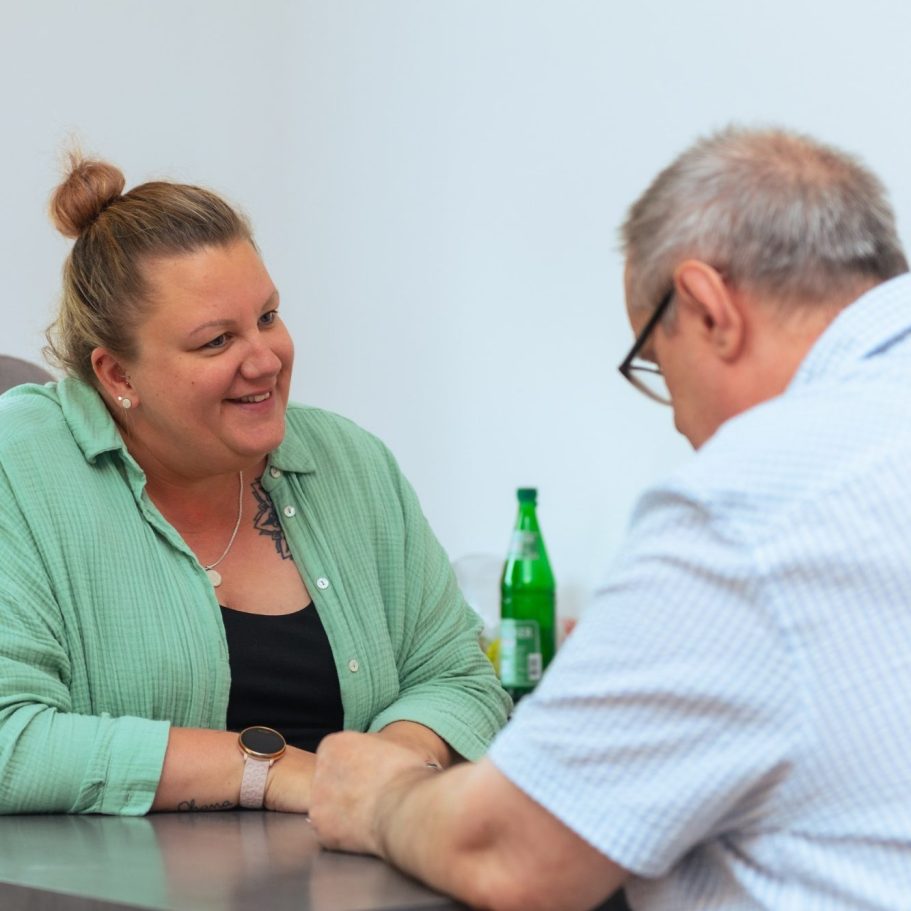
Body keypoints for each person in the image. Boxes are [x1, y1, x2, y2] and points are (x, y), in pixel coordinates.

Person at [307, 126, 911, 910]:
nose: (678, 423)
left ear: (707, 308)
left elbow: (512, 850)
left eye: (655, 363)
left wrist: (378, 798)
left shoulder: (751, 503)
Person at [0, 154, 510, 816]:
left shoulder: (351, 461)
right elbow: (10, 737)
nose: (266, 360)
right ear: (118, 375)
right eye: (217, 341)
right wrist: (269, 769)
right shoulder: (22, 464)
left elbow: (457, 676)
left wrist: (383, 768)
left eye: (268, 317)